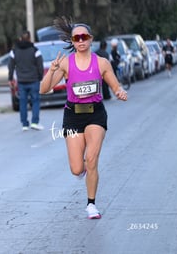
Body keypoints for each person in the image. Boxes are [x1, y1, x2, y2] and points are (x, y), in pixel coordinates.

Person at [39, 17, 127, 219]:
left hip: (95, 114)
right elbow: (44, 90)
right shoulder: (65, 64)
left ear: (90, 39)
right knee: (77, 168)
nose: (80, 41)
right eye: (76, 38)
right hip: (72, 116)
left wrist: (120, 92)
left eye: (84, 37)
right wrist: (51, 71)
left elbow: (115, 86)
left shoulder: (102, 63)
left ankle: (91, 205)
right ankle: (84, 172)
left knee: (91, 159)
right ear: (72, 41)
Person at [8, 30, 44, 131]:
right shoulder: (35, 50)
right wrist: (40, 77)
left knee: (22, 102)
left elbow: (10, 66)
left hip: (21, 81)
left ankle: (24, 124)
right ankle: (35, 122)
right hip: (34, 80)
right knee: (35, 101)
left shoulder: (14, 51)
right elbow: (40, 66)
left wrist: (10, 78)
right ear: (29, 38)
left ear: (20, 38)